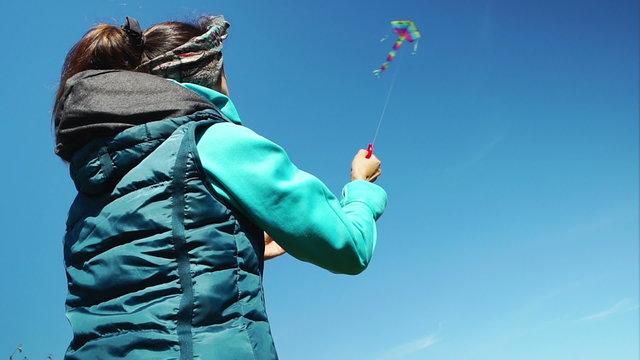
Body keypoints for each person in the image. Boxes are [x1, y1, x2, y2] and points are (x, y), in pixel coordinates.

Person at [54, 15, 387, 360]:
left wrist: (242, 240)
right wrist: (361, 188)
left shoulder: (85, 196)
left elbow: (149, 277)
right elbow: (347, 247)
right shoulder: (213, 141)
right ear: (208, 73)